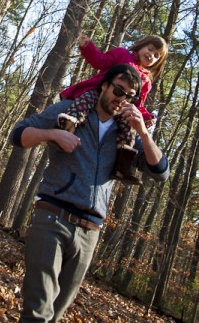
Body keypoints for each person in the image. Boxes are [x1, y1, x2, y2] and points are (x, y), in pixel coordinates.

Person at [9, 64, 169, 323]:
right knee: (38, 311)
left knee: (55, 314)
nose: (121, 99)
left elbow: (160, 171)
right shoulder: (69, 111)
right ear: (104, 85)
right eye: (118, 90)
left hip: (90, 231)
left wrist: (143, 133)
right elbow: (17, 135)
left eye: (129, 96)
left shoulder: (126, 133)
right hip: (52, 217)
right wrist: (53, 134)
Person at [57, 34, 168, 184]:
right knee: (85, 101)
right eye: (150, 49)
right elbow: (100, 61)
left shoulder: (146, 81)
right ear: (141, 45)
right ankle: (67, 128)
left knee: (129, 129)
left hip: (121, 108)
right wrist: (88, 47)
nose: (151, 55)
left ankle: (122, 164)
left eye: (156, 56)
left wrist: (145, 116)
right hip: (100, 93)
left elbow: (138, 104)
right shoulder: (122, 54)